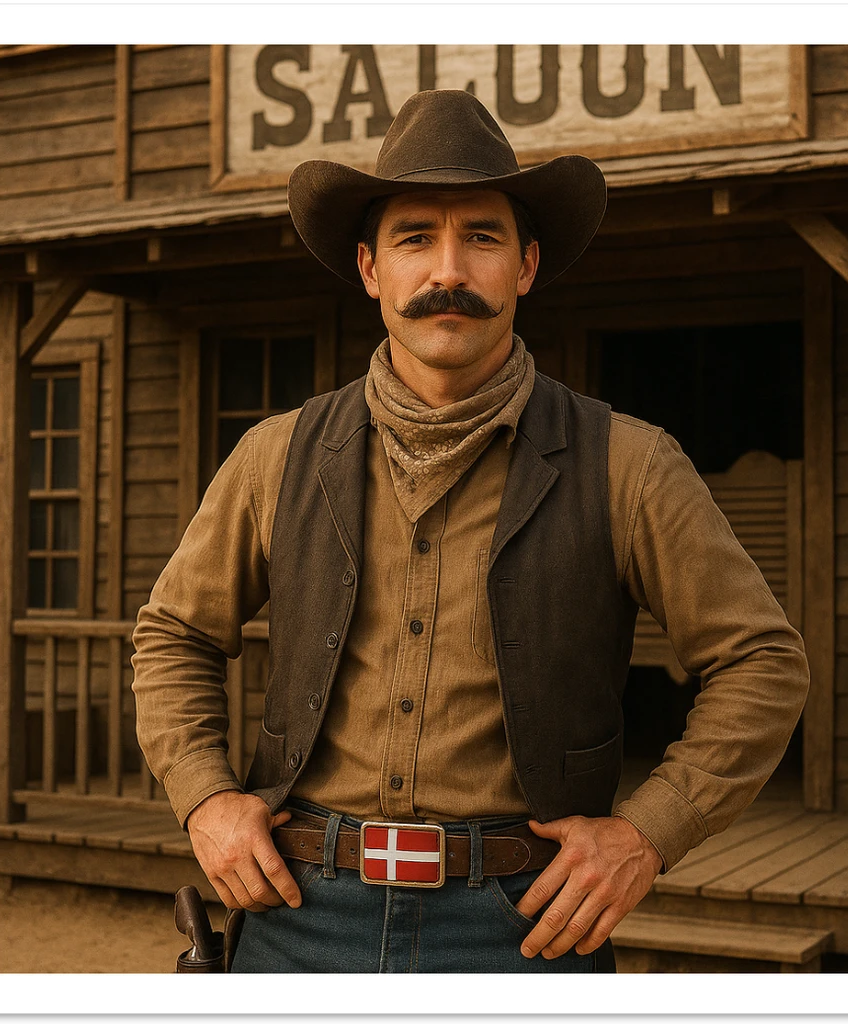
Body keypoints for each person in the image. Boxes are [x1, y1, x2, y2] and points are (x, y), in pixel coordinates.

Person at [131, 89, 809, 974]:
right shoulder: (275, 457)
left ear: (525, 265)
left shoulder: (630, 463)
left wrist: (647, 833)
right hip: (294, 914)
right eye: (416, 236)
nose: (447, 268)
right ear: (371, 268)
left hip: (523, 925)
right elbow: (173, 634)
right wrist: (206, 799)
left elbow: (762, 662)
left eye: (481, 237)